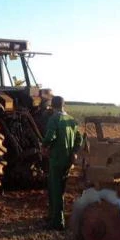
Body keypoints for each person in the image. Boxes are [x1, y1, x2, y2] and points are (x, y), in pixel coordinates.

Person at [42, 96, 82, 230]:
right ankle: (53, 216)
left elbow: (50, 136)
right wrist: (74, 152)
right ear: (64, 105)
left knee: (55, 190)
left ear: (52, 106)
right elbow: (79, 139)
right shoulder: (71, 120)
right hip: (67, 161)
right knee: (60, 189)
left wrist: (44, 146)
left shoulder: (54, 119)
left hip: (57, 159)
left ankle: (57, 222)